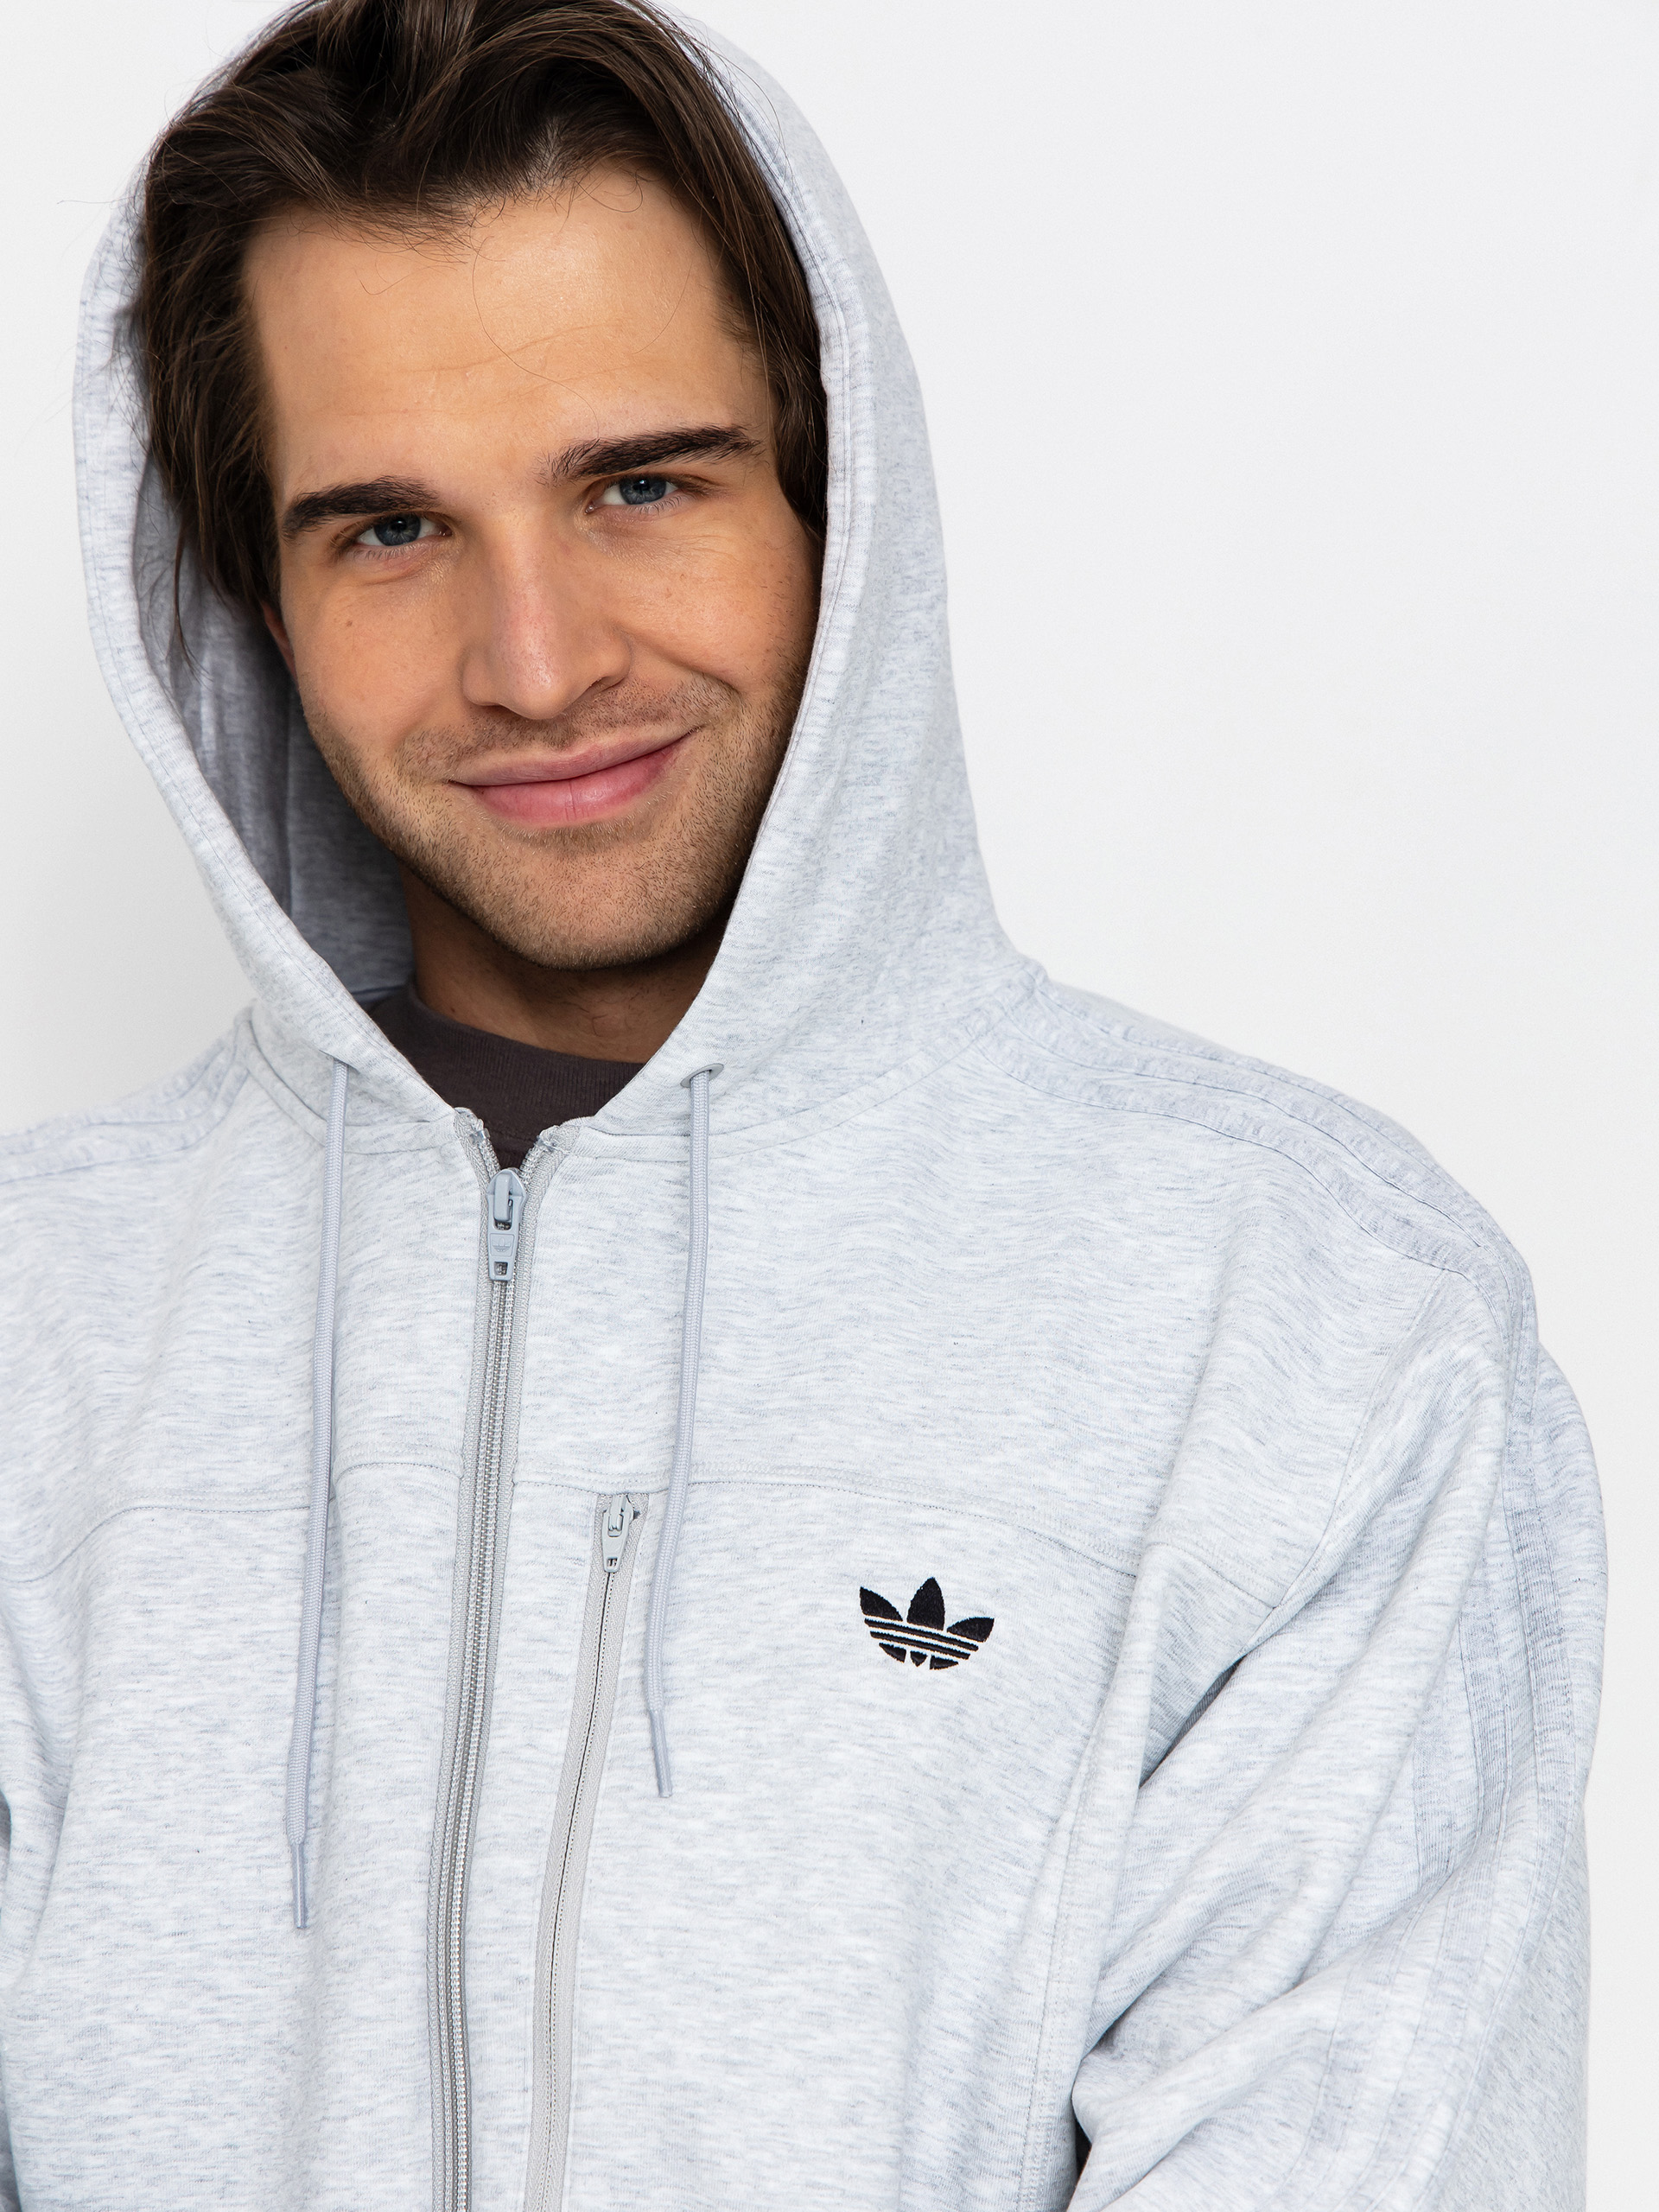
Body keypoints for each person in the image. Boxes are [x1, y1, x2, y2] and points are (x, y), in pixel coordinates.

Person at [0, 0, 1604, 2205]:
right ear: (252, 599)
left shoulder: (1309, 1330)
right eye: (388, 529)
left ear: (839, 503)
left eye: (641, 484)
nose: (539, 660)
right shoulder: (37, 1337)